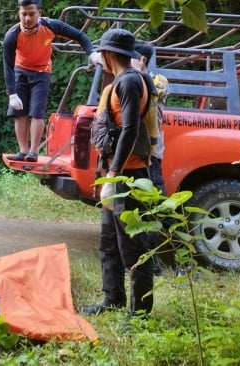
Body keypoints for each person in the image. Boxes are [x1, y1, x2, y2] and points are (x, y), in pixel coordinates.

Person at [79, 29, 154, 317]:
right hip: (116, 176)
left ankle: (141, 313)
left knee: (133, 246)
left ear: (109, 55)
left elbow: (130, 130)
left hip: (128, 178)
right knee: (109, 242)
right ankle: (113, 299)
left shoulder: (130, 82)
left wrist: (113, 173)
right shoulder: (121, 81)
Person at [3, 0, 99, 162]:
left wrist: (92, 53)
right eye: (23, 14)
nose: (27, 18)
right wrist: (12, 93)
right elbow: (8, 66)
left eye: (31, 14)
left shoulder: (51, 25)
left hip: (42, 72)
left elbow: (79, 35)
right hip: (20, 71)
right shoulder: (12, 35)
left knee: (37, 112)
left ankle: (33, 152)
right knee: (19, 113)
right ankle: (23, 150)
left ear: (39, 13)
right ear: (19, 14)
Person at [132, 39, 170, 276]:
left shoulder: (158, 81)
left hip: (151, 155)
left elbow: (150, 97)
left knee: (155, 205)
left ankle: (158, 259)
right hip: (135, 153)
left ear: (143, 60)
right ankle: (145, 259)